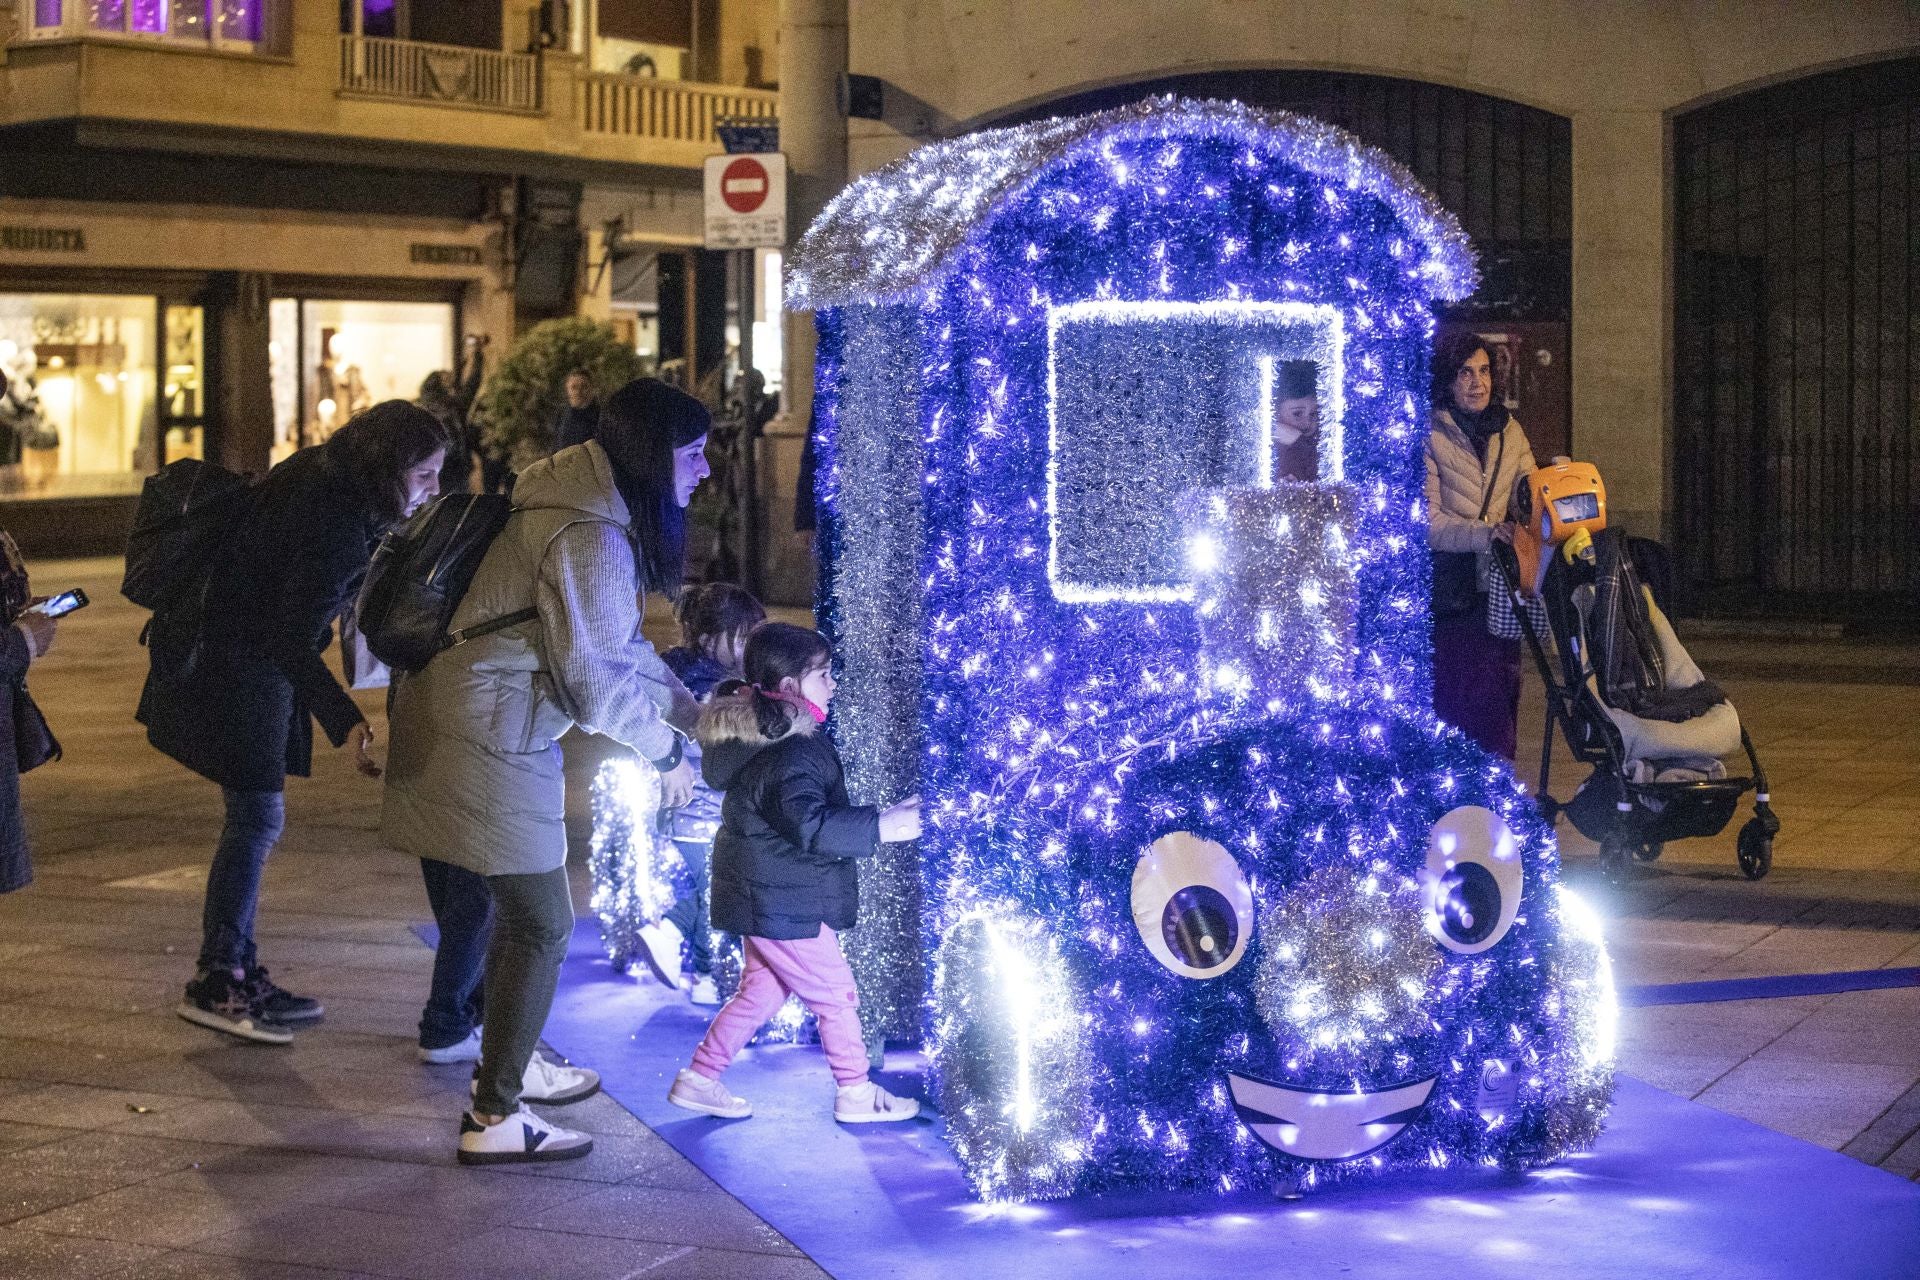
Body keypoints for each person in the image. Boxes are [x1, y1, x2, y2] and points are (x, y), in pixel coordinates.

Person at [383, 376, 709, 1166]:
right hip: (486, 732)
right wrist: (667, 752)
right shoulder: (588, 532)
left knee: (512, 914)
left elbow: (614, 644)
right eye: (693, 454)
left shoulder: (573, 506)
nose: (704, 472)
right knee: (542, 921)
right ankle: (494, 1116)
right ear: (650, 455)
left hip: (472, 716)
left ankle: (513, 1059)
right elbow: (594, 680)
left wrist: (690, 717)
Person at [140, 401, 448, 1044]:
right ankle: (219, 979)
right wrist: (346, 719)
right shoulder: (334, 520)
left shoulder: (321, 471)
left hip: (232, 660)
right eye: (424, 476)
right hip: (241, 674)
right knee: (255, 820)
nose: (433, 491)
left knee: (254, 820)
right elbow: (287, 635)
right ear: (388, 469)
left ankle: (232, 967)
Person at [667, 622, 923, 1125]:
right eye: (823, 675)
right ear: (789, 688)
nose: (833, 685)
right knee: (836, 993)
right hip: (783, 898)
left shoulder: (765, 737)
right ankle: (855, 1092)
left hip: (762, 890)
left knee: (761, 992)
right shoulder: (793, 749)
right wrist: (882, 826)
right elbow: (810, 823)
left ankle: (700, 1078)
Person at [639, 582, 769, 1005]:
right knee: (718, 892)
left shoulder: (668, 672)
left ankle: (705, 977)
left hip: (679, 808)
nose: (752, 647)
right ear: (712, 639)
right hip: (703, 808)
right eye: (744, 636)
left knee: (712, 889)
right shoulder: (723, 689)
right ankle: (670, 931)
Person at [1426, 333, 1537, 759]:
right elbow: (1429, 523)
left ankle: (1495, 798)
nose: (1477, 382)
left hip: (1499, 591)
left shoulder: (1511, 433)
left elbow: (1527, 500)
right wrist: (1485, 533)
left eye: (1485, 371)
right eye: (1465, 373)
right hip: (1451, 593)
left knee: (1499, 695)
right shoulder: (1430, 435)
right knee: (1457, 700)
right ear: (1448, 381)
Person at [1272, 359, 1321, 482]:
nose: (1307, 423)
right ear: (1276, 411)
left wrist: (1298, 442)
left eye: (1313, 414)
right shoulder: (1267, 447)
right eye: (1297, 414)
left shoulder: (1319, 445)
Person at [553, 368, 600, 452]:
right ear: (567, 390)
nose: (578, 392)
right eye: (574, 387)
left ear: (592, 389)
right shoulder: (561, 416)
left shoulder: (601, 418)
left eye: (584, 387)